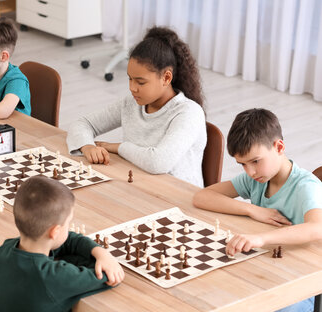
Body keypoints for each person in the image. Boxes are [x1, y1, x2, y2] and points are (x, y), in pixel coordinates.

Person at [193, 108, 322, 312]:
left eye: (255, 161)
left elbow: (317, 228)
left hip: (302, 287)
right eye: (242, 164)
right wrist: (252, 210)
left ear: (279, 147)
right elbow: (202, 197)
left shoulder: (306, 186)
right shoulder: (256, 179)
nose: (250, 171)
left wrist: (261, 239)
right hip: (268, 272)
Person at [66, 26, 206, 187]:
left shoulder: (189, 113)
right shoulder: (131, 104)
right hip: (139, 187)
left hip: (179, 199)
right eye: (129, 79)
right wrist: (87, 146)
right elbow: (82, 124)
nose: (132, 87)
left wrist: (118, 148)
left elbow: (158, 163)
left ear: (166, 78)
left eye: (140, 82)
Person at [0, 175, 124, 312]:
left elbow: (64, 242)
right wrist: (106, 257)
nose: (69, 229)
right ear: (55, 232)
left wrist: (99, 252)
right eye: (67, 224)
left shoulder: (3, 251)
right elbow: (108, 275)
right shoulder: (53, 277)